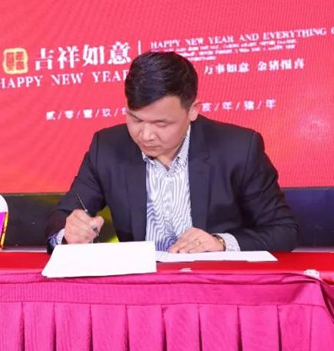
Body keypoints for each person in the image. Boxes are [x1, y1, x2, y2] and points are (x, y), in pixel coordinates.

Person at [45, 51, 298, 253]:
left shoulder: (238, 148)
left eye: (161, 124)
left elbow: (283, 230)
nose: (145, 135)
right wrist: (69, 233)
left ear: (193, 110)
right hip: (140, 289)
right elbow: (62, 216)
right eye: (135, 119)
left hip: (213, 287)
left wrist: (220, 243)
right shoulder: (107, 147)